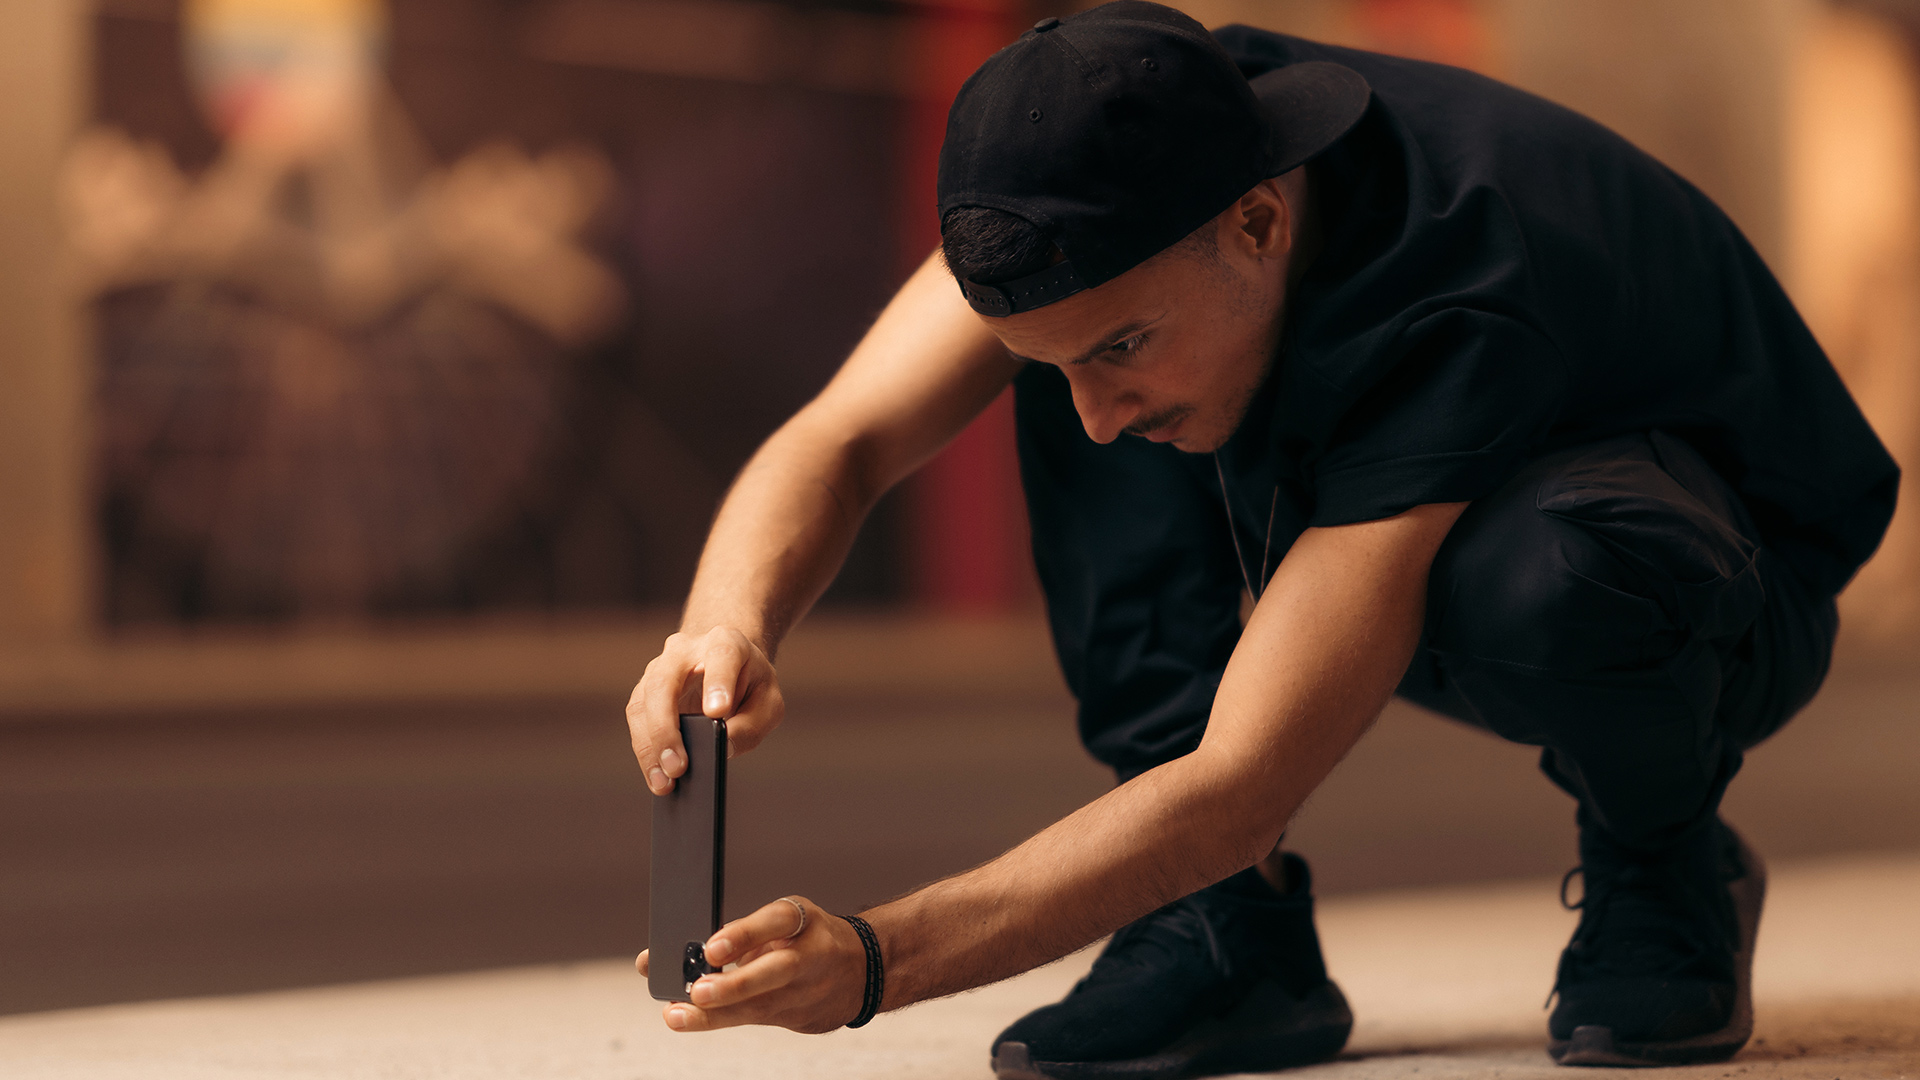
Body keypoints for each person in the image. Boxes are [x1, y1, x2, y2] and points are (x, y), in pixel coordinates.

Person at [627, 3, 1898, 1075]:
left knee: (1548, 575)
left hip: (1721, 582)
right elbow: (841, 439)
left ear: (1259, 221)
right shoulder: (1125, 156)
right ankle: (1224, 942)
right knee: (1095, 393)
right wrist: (723, 625)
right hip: (1431, 458)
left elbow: (1241, 786)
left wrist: (878, 960)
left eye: (1123, 338)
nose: (1095, 402)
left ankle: (1663, 860)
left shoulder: (1456, 277)